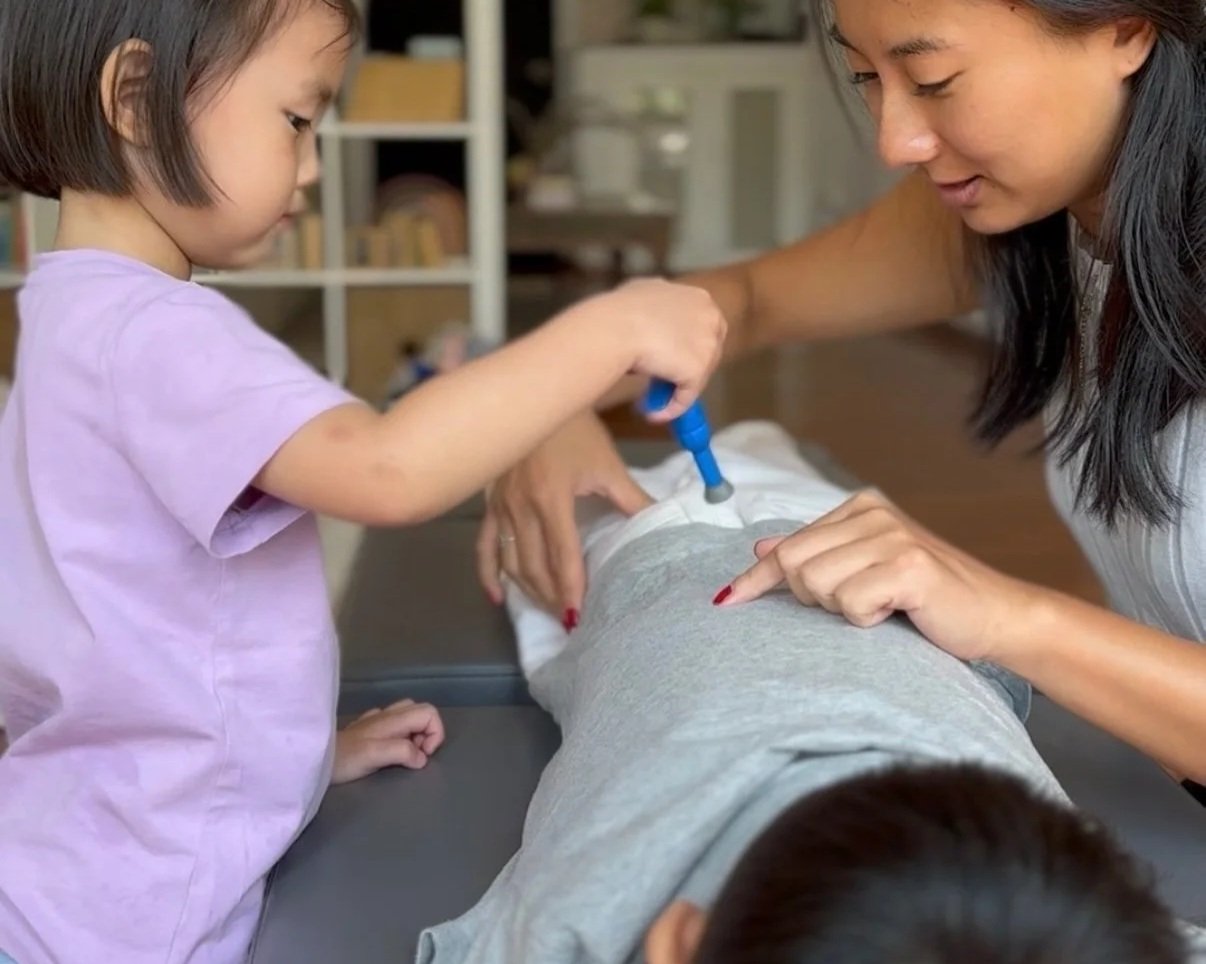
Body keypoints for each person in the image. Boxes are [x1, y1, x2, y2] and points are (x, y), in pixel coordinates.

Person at [0, 1, 726, 961]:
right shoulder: (154, 334)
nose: (310, 168)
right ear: (136, 98)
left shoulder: (68, 308)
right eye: (296, 120)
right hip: (125, 915)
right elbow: (386, 470)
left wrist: (296, 757)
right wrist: (613, 328)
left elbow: (127, 639)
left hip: (88, 843)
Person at [478, 0, 1206, 801]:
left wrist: (1006, 616)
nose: (896, 142)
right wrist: (551, 404)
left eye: (933, 79)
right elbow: (745, 300)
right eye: (867, 77)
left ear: (1125, 30)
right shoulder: (1034, 206)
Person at [425, 424, 1206, 964]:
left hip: (704, 562)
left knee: (643, 469)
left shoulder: (585, 916)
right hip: (806, 554)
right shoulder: (582, 922)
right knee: (719, 458)